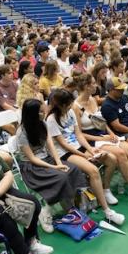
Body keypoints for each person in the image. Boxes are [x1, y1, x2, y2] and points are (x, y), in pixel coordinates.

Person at [73, 73, 128, 201]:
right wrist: (102, 139)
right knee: (120, 153)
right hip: (91, 139)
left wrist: (110, 133)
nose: (96, 85)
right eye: (93, 83)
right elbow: (79, 134)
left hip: (104, 134)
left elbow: (101, 122)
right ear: (86, 86)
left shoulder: (92, 99)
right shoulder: (75, 107)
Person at [47, 89, 125, 225]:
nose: (72, 106)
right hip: (65, 153)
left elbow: (79, 135)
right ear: (61, 105)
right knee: (93, 170)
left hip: (79, 147)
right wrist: (84, 156)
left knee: (111, 159)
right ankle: (108, 212)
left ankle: (104, 190)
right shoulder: (51, 120)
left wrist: (91, 150)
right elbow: (64, 144)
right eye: (69, 104)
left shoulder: (70, 112)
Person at [17, 98, 87, 233]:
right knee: (61, 177)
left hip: (48, 160)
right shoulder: (22, 133)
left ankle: (69, 206)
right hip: (31, 167)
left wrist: (59, 162)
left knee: (73, 169)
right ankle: (46, 212)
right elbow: (31, 158)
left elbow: (50, 145)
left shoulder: (42, 123)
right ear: (33, 114)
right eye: (41, 111)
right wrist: (55, 167)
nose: (45, 113)